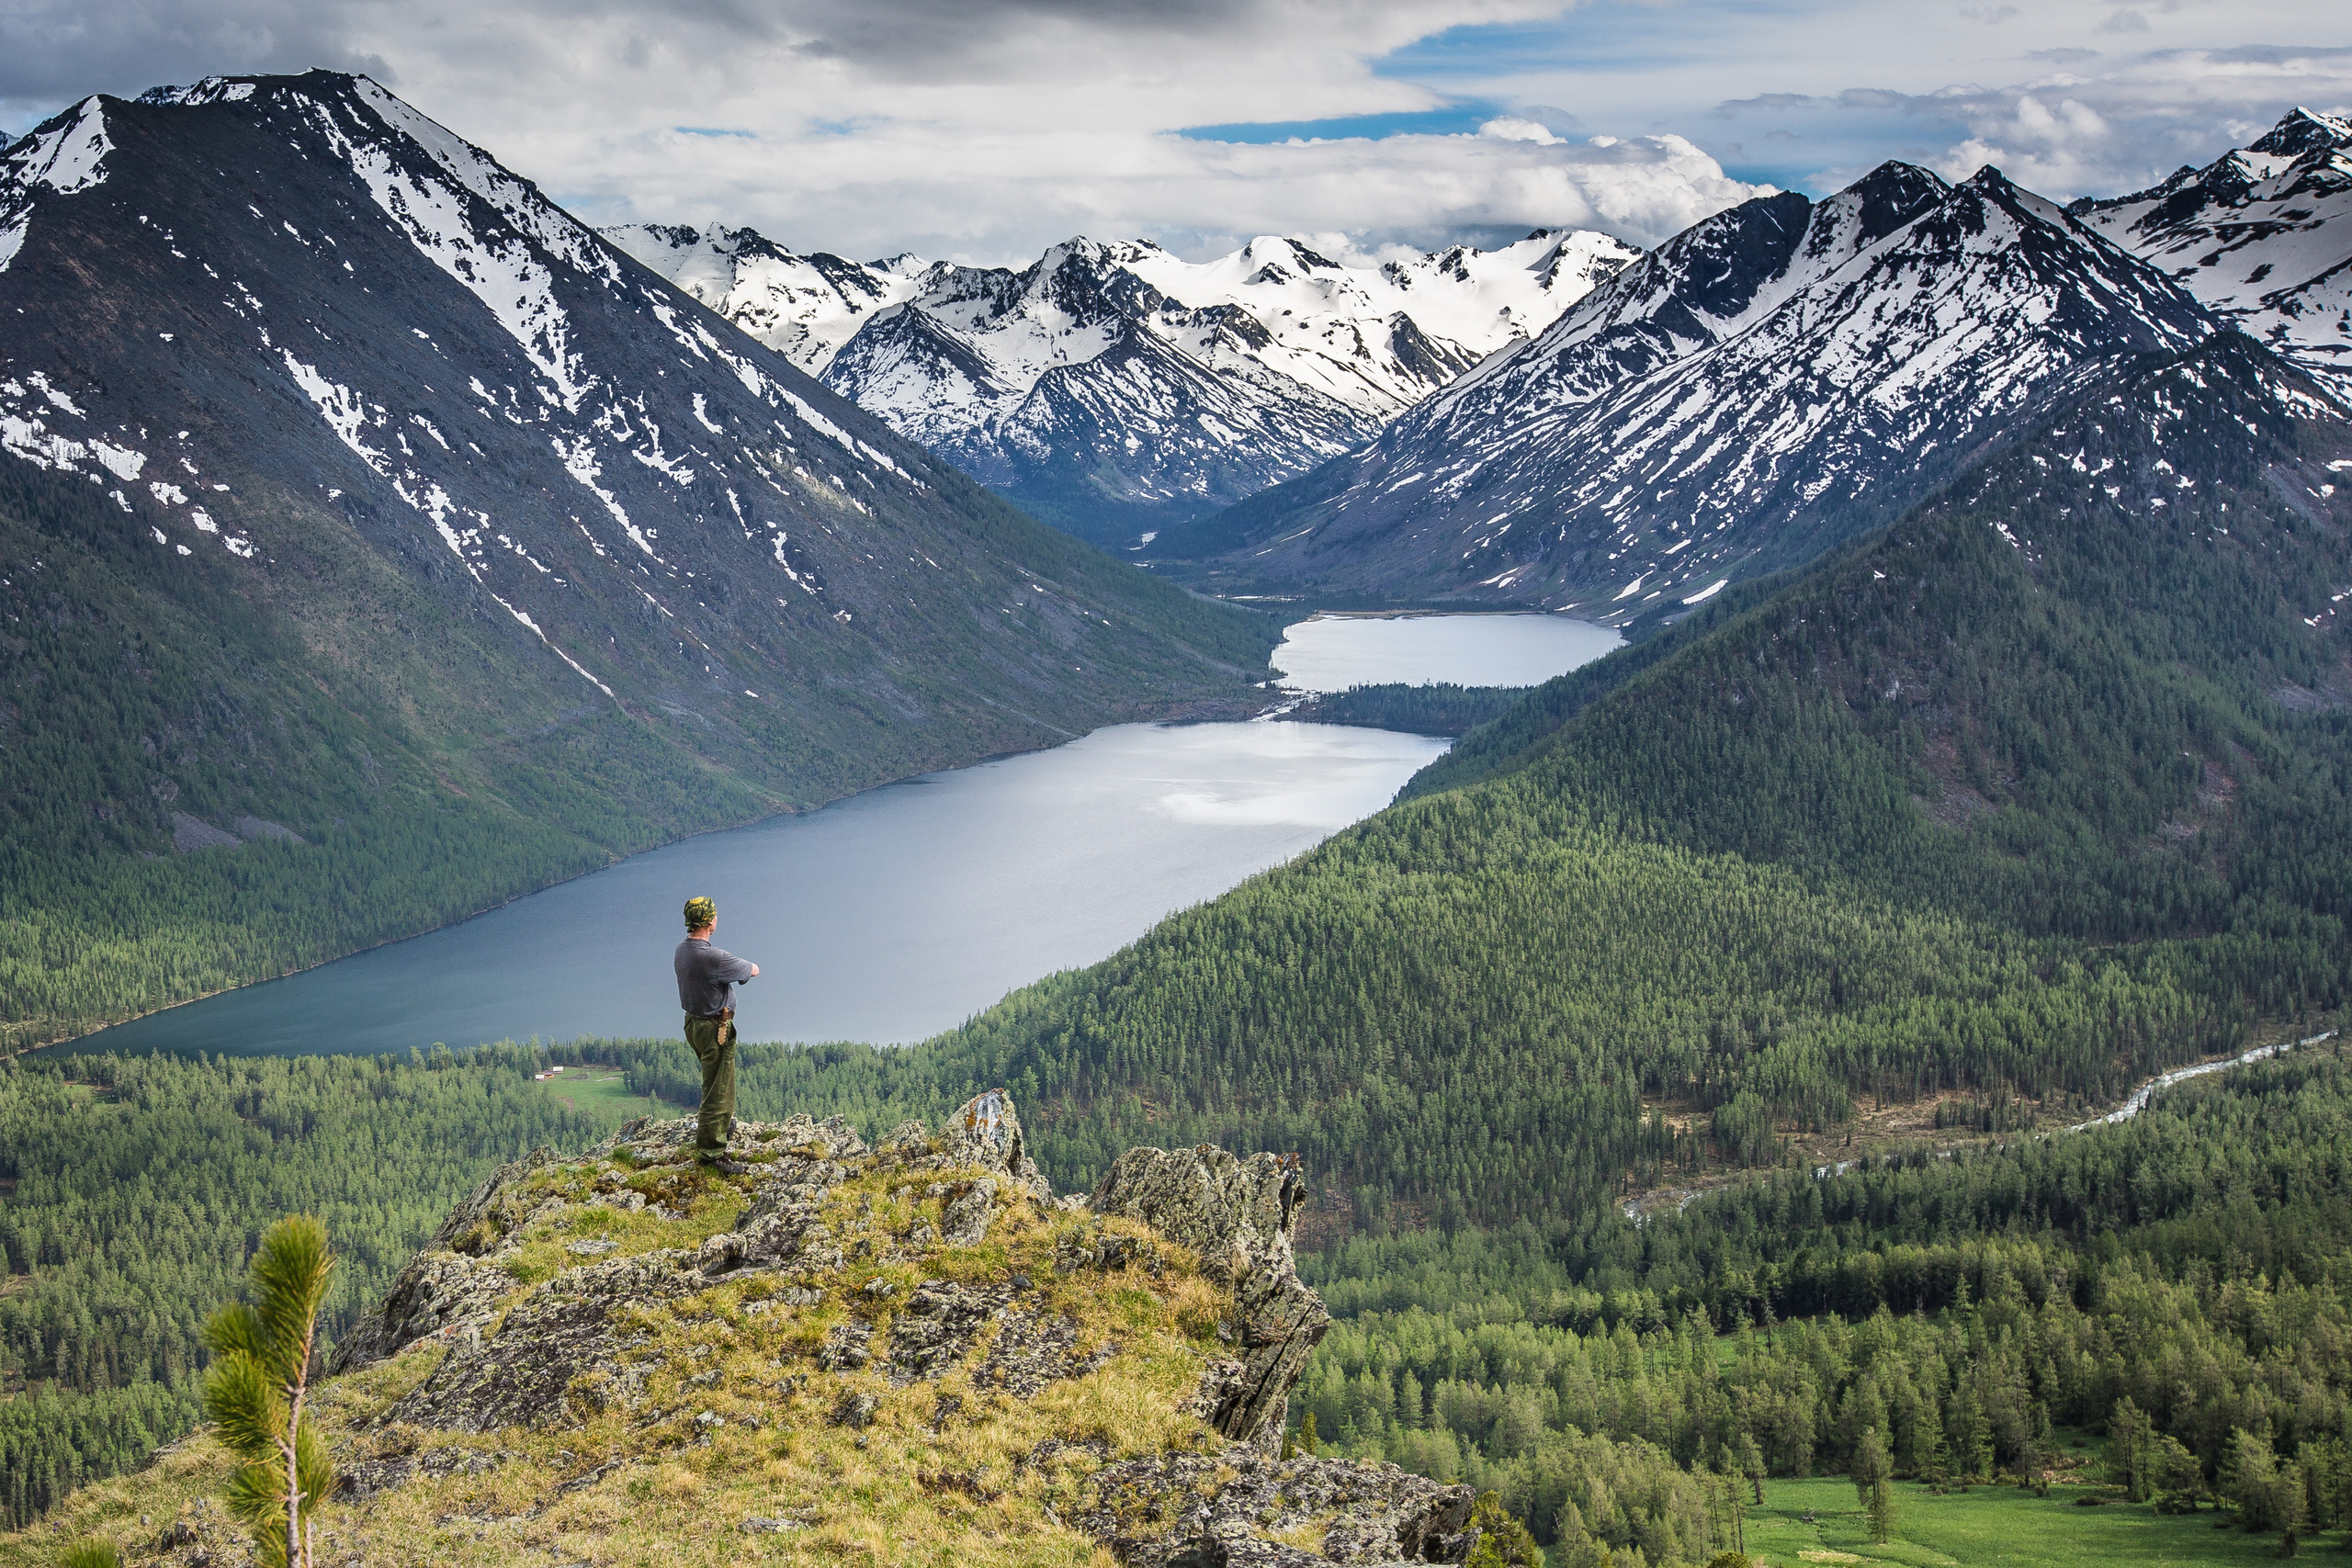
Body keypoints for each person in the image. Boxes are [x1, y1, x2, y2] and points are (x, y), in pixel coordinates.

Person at [673, 895, 759, 1171]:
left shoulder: (682, 950)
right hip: (715, 1029)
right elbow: (752, 970)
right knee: (719, 1089)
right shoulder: (713, 957)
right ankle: (712, 1153)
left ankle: (718, 1126)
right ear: (710, 921)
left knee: (712, 1082)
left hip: (693, 1025)